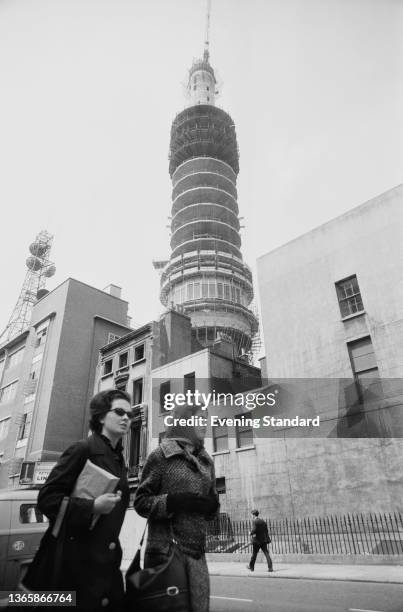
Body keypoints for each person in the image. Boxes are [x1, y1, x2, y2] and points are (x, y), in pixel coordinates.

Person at [23, 389, 132, 611]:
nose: (126, 419)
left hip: (106, 563)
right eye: (120, 412)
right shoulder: (83, 449)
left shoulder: (119, 458)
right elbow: (47, 498)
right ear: (101, 416)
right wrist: (93, 506)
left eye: (129, 415)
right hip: (74, 564)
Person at [134, 403, 219, 612]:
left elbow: (213, 505)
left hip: (197, 555)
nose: (204, 424)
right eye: (200, 418)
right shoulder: (160, 456)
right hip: (166, 554)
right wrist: (172, 502)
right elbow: (141, 502)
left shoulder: (207, 461)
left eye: (206, 419)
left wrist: (211, 506)